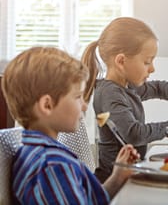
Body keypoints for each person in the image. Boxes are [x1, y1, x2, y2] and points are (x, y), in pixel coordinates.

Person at [1, 46, 140, 204]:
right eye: (78, 96)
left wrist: (118, 177)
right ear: (47, 105)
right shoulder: (52, 166)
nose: (84, 106)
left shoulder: (42, 154)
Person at [81, 16, 168, 182]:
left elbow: (158, 87)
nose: (152, 68)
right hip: (114, 182)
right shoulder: (110, 94)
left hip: (128, 176)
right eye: (147, 62)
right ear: (121, 61)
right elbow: (133, 134)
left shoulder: (126, 87)